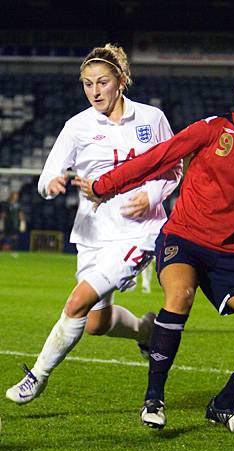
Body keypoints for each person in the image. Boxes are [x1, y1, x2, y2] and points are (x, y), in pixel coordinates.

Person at [75, 62, 234, 434]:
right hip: (182, 237)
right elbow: (158, 157)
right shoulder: (212, 129)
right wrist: (106, 185)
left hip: (227, 253)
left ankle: (223, 404)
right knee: (179, 295)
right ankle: (154, 398)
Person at [6, 43, 182, 404]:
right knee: (97, 324)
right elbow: (45, 179)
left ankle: (37, 376)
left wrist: (151, 196)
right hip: (92, 234)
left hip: (140, 232)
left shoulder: (152, 118)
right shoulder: (77, 126)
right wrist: (52, 185)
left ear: (120, 81)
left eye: (102, 82)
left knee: (75, 304)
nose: (95, 91)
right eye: (87, 84)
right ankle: (146, 331)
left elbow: (174, 167)